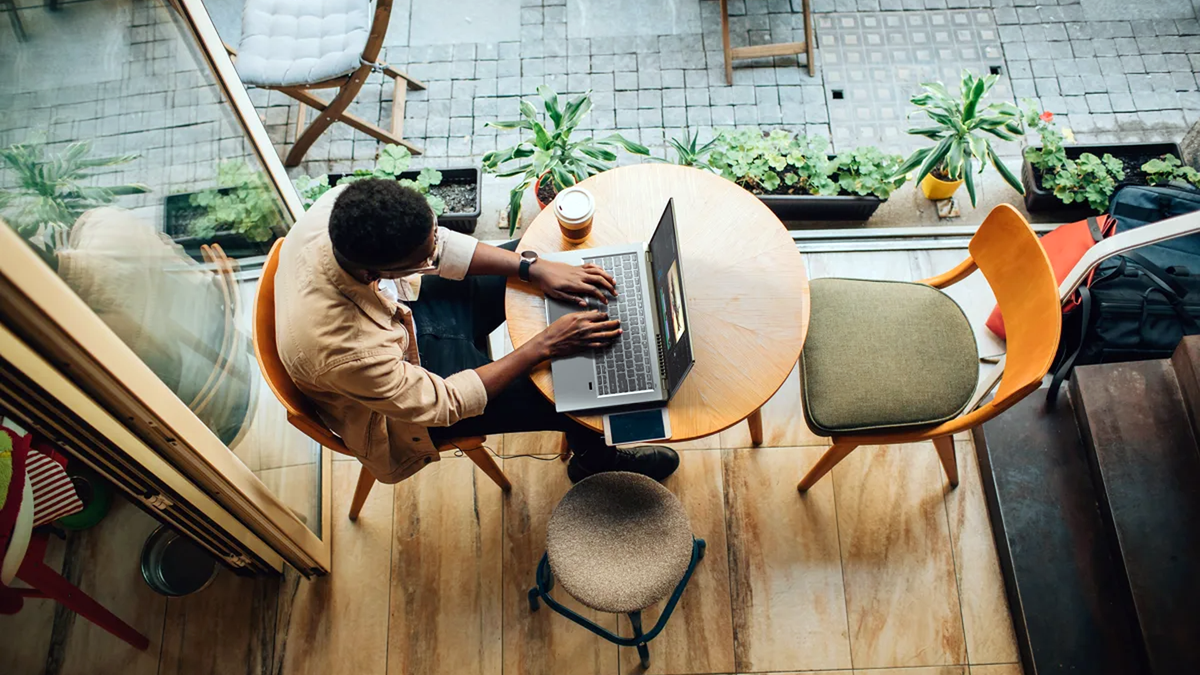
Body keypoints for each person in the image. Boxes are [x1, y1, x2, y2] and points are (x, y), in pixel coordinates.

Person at [272, 178, 679, 486]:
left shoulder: (342, 211)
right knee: (568, 396)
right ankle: (596, 463)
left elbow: (437, 245)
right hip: (408, 394)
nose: (435, 250)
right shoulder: (344, 350)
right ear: (377, 272)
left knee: (540, 260)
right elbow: (442, 403)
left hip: (404, 313)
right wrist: (544, 345)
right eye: (425, 257)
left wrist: (531, 267)